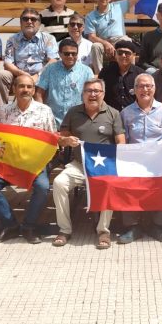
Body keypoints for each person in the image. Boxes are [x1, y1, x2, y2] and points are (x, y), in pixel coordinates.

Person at [0, 74, 58, 245]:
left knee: (43, 186)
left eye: (29, 87)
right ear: (13, 89)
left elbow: (53, 140)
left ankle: (29, 226)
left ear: (34, 90)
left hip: (34, 164)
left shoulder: (44, 111)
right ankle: (10, 225)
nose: (25, 90)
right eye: (21, 86)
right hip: (10, 163)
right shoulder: (5, 110)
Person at [52, 79, 125, 250]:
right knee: (59, 183)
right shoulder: (73, 112)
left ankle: (103, 230)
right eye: (89, 91)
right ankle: (64, 229)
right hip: (79, 164)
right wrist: (67, 140)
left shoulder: (113, 113)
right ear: (83, 94)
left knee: (109, 184)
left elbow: (121, 142)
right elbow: (61, 140)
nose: (93, 94)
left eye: (97, 91)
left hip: (104, 166)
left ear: (103, 94)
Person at [118, 73, 162, 244]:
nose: (145, 90)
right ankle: (132, 227)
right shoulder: (126, 113)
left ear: (154, 89)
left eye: (148, 86)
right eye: (140, 86)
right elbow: (124, 141)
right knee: (126, 182)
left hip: (158, 162)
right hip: (134, 161)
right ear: (134, 90)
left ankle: (157, 226)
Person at [0, 9, 58, 108]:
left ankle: (40, 114)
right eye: (25, 19)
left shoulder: (49, 39)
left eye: (33, 19)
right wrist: (21, 74)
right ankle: (2, 112)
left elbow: (53, 61)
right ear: (21, 22)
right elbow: (7, 63)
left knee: (47, 78)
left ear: (39, 23)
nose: (29, 22)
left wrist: (37, 75)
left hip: (41, 76)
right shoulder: (12, 39)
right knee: (1, 75)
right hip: (18, 75)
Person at [84, 0, 139, 73]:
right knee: (95, 46)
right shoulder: (90, 16)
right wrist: (105, 43)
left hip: (119, 40)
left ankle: (131, 73)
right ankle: (100, 75)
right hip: (103, 42)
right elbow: (91, 37)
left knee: (127, 41)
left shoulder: (118, 6)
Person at [35, 38, 95, 127]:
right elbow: (39, 93)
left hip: (78, 122)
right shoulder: (50, 69)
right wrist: (41, 115)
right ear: (60, 54)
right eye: (67, 54)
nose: (70, 56)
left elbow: (91, 95)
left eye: (73, 54)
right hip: (53, 121)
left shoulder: (86, 71)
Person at [99, 40, 144, 112]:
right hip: (111, 115)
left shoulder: (140, 74)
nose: (123, 55)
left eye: (127, 53)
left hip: (134, 116)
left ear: (134, 55)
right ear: (115, 54)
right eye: (120, 53)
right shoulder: (105, 73)